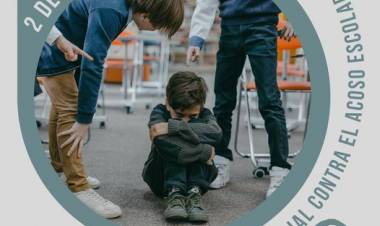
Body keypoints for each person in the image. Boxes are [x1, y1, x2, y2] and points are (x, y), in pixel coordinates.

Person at [36, 0, 184, 218]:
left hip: (65, 48)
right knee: (70, 109)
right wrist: (85, 118)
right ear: (148, 14)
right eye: (158, 26)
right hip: (52, 48)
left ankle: (60, 168)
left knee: (63, 107)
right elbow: (94, 62)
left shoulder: (123, 9)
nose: (156, 31)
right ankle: (77, 187)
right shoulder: (112, 10)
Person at [187, 0, 295, 197]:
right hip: (229, 28)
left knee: (270, 101)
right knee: (223, 101)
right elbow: (206, 3)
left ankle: (280, 170)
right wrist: (196, 39)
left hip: (262, 25)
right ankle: (220, 161)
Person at [142, 72, 222, 222]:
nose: (186, 120)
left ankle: (194, 192)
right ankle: (175, 192)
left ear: (201, 106)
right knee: (172, 146)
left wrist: (175, 126)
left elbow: (216, 133)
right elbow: (161, 140)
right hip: (160, 178)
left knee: (184, 140)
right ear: (167, 102)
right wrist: (204, 151)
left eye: (192, 117)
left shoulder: (205, 114)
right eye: (179, 116)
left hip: (199, 179)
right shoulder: (159, 111)